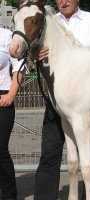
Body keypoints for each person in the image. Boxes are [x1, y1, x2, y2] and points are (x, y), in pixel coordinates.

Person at [34, 0, 90, 199]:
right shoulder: (48, 22)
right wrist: (35, 54)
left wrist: (84, 57)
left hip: (87, 102)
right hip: (58, 101)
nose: (63, 1)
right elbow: (33, 51)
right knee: (49, 154)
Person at [0, 27, 26, 200]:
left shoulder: (7, 35)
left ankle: (9, 195)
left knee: (0, 149)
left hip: (2, 98)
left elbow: (19, 66)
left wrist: (11, 94)